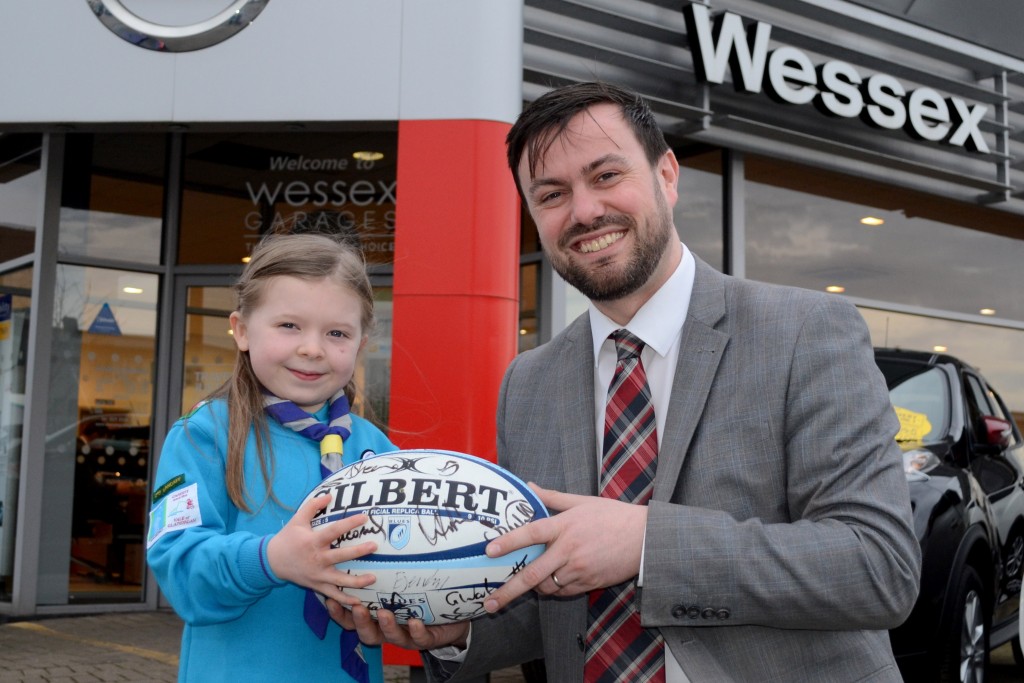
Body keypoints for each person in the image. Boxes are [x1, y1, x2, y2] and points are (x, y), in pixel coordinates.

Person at [332, 81, 922, 682]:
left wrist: (645, 545)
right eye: (552, 194)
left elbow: (878, 566)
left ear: (667, 175)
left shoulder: (806, 332)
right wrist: (456, 629)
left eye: (607, 175)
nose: (584, 211)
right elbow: (548, 598)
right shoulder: (528, 383)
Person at [147, 231, 395, 683]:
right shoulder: (203, 436)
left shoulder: (379, 451)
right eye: (289, 326)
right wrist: (271, 559)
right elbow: (180, 573)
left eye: (337, 333)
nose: (312, 348)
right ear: (242, 330)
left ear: (360, 345)